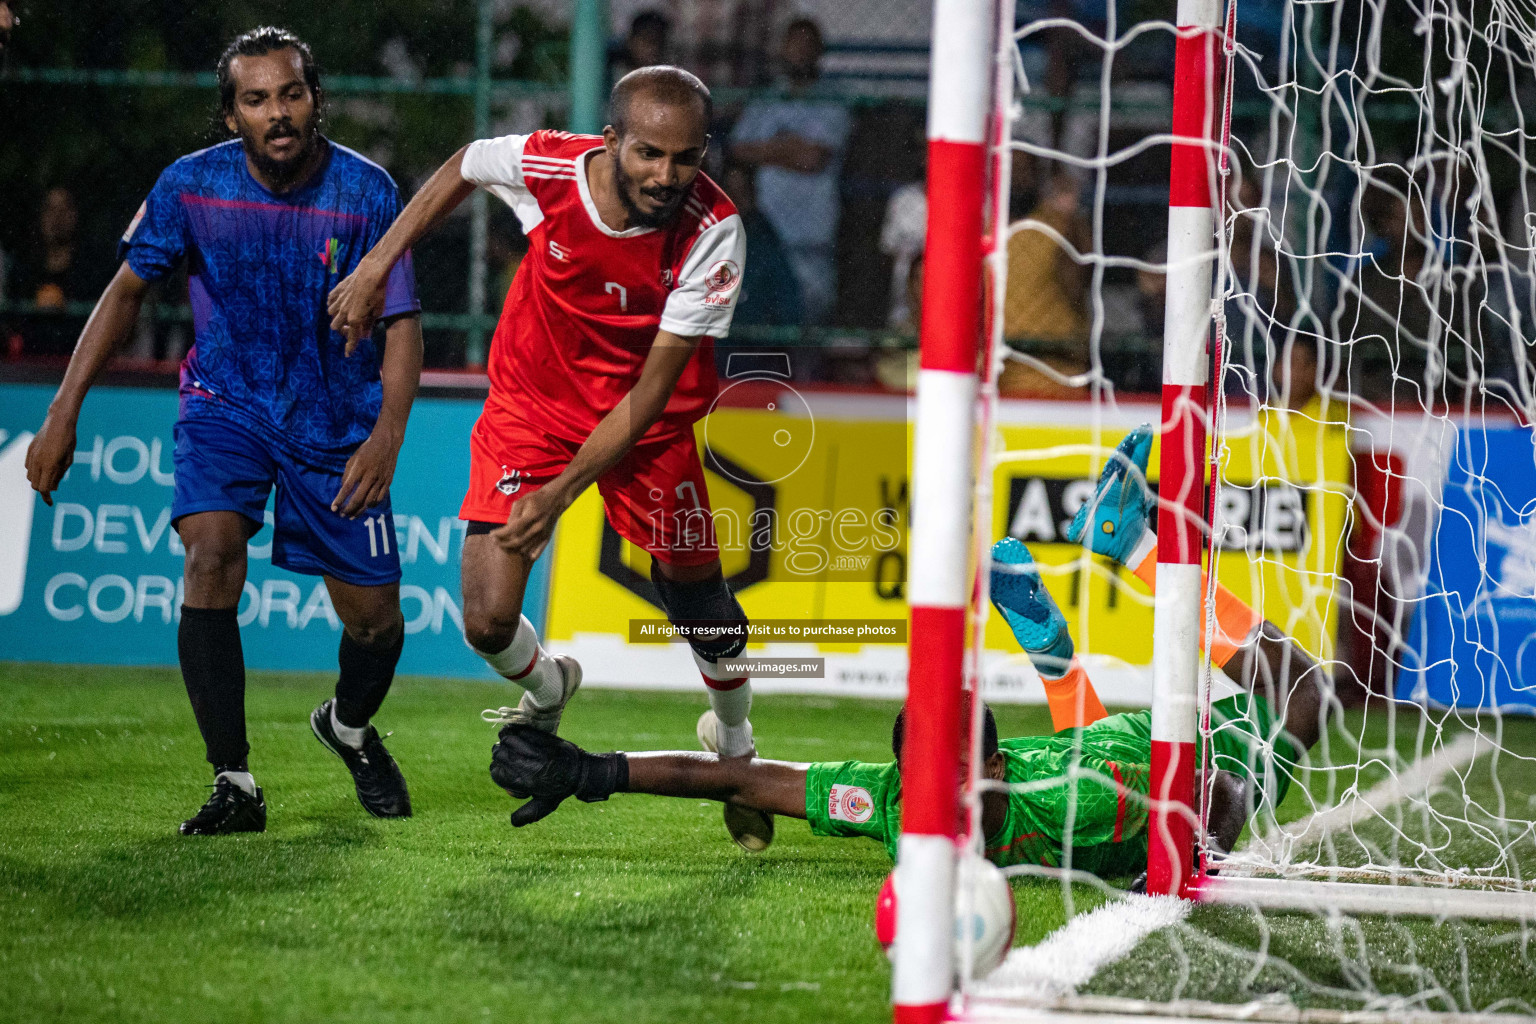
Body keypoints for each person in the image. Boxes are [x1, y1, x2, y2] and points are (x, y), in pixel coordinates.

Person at [486, 426, 1330, 880]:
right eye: (930, 787)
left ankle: (1134, 558)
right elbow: (740, 778)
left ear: (992, 768)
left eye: (956, 786)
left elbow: (1215, 789)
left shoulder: (1065, 802)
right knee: (1281, 704)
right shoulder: (893, 802)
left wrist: (1194, 860)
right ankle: (1065, 627)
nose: (940, 809)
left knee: (1307, 696)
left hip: (1163, 765)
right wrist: (593, 772)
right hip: (1089, 755)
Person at [327, 66, 769, 852]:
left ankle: (735, 746)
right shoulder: (545, 167)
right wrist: (374, 265)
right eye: (648, 154)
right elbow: (464, 164)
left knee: (699, 602)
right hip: (531, 407)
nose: (667, 176)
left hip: (648, 426)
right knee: (488, 621)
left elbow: (648, 393)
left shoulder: (713, 231)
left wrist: (561, 493)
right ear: (610, 142)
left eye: (686, 158)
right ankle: (551, 683)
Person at [24, 27, 424, 835]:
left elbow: (405, 325)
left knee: (376, 623)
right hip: (224, 406)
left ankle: (346, 726)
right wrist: (63, 410)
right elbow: (124, 295)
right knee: (209, 553)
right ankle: (234, 780)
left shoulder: (369, 190)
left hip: (335, 426)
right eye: (256, 99)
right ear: (230, 113)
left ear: (316, 99)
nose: (277, 113)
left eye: (291, 94)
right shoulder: (188, 186)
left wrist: (387, 435)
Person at [729, 18, 850, 326]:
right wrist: (789, 149)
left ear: (819, 50)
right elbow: (738, 150)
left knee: (808, 323)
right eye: (793, 43)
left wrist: (767, 150)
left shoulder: (833, 98)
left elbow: (813, 158)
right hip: (766, 231)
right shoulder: (768, 97)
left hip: (812, 235)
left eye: (807, 44)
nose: (799, 51)